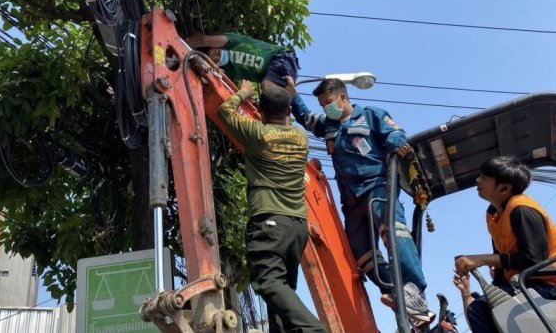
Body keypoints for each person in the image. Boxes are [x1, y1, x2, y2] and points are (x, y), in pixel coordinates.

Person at [286, 77, 435, 328]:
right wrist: (292, 94)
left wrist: (396, 143)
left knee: (393, 233)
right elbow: (305, 117)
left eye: (329, 103)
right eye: (323, 105)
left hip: (377, 187)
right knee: (360, 255)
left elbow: (397, 134)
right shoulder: (329, 125)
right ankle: (395, 290)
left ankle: (414, 291)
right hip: (351, 200)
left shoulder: (371, 116)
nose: (326, 109)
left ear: (343, 97)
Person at [218, 81, 327, 333]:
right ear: (289, 113)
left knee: (267, 282)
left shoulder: (259, 134)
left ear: (261, 111)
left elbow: (226, 111)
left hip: (269, 223)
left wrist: (243, 92)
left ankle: (314, 330)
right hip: (297, 228)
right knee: (280, 296)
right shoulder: (300, 137)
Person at [455, 156, 556, 333]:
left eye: (485, 178)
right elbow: (501, 260)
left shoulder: (522, 209)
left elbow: (535, 261)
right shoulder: (494, 215)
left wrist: (482, 260)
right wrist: (495, 282)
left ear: (504, 189)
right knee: (480, 303)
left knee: (480, 309)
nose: (477, 181)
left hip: (548, 286)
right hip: (527, 285)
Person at [187, 33, 300, 90]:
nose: (217, 55)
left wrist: (181, 44)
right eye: (214, 59)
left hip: (282, 58)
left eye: (215, 51)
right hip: (275, 77)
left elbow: (204, 40)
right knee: (272, 100)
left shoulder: (233, 41)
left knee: (267, 87)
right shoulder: (226, 72)